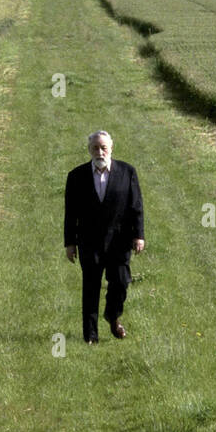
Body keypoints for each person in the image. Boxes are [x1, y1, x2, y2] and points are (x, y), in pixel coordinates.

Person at [63, 130, 144, 344]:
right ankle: (90, 336)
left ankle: (112, 315)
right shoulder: (76, 176)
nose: (100, 152)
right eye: (95, 148)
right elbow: (70, 213)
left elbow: (136, 207)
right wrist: (70, 243)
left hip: (120, 242)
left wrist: (139, 236)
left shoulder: (127, 172)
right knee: (90, 288)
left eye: (103, 147)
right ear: (89, 150)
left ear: (111, 148)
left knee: (121, 283)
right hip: (90, 242)